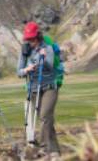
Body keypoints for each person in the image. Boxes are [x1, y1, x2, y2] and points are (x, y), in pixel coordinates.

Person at [17, 21, 61, 158]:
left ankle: (43, 148)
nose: (30, 42)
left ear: (37, 37)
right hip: (34, 88)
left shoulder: (47, 48)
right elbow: (19, 72)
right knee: (47, 121)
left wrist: (43, 58)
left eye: (32, 39)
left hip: (49, 87)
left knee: (44, 116)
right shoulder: (25, 51)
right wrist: (27, 70)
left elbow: (50, 66)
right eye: (28, 39)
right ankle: (55, 151)